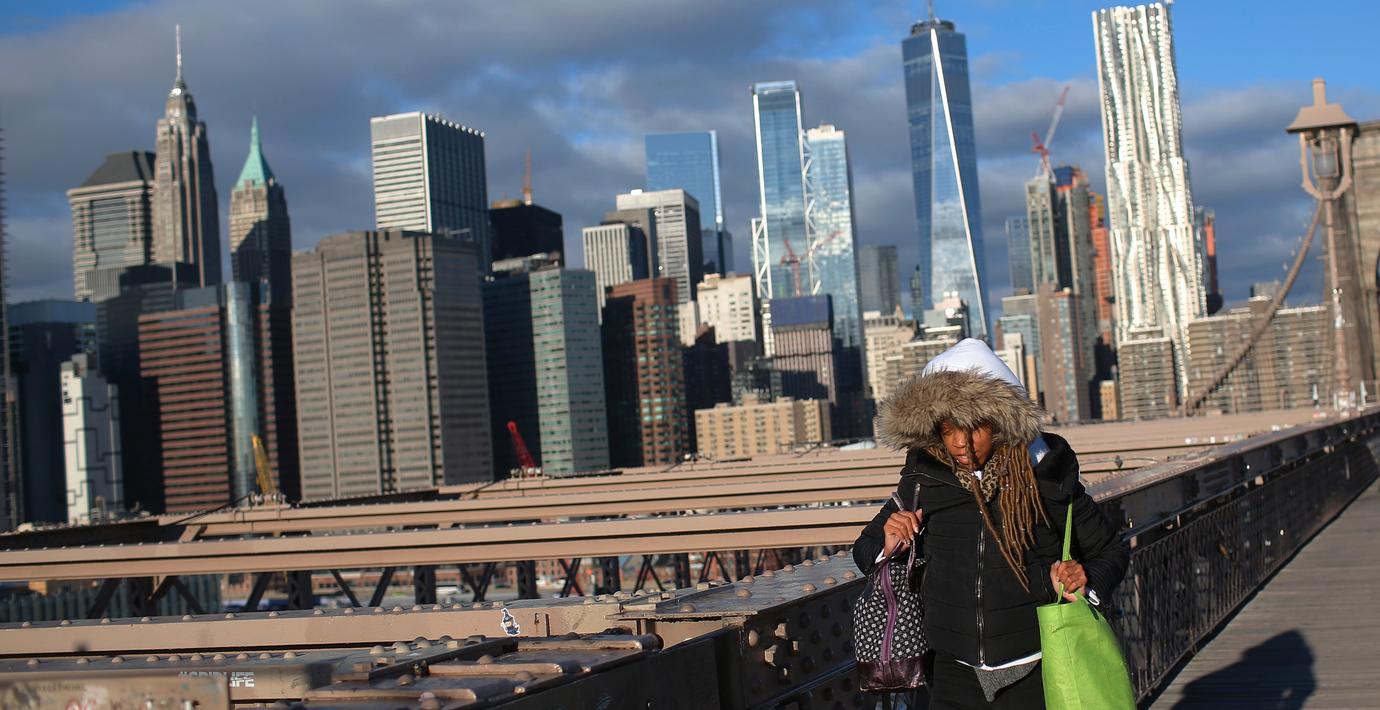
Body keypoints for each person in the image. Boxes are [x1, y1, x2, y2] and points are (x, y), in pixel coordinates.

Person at [853, 339, 1129, 709]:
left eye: (974, 428)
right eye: (948, 428)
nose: (960, 443)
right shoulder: (924, 481)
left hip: (1038, 662)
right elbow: (865, 548)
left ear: (1000, 422)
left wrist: (1086, 578)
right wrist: (889, 545)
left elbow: (1110, 550)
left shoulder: (1046, 481)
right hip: (951, 668)